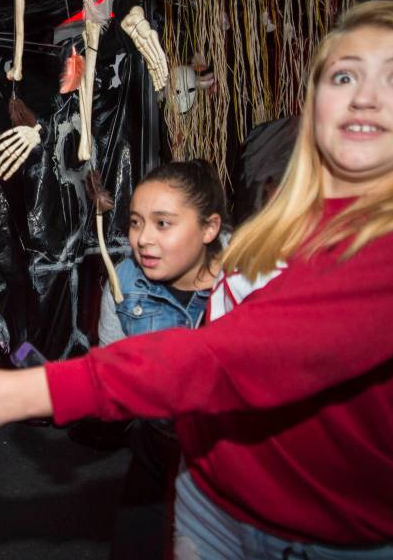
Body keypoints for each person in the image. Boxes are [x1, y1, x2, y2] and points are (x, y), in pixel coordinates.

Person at [0, 0, 393, 559]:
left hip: (328, 534)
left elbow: (240, 358)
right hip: (212, 496)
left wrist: (31, 391)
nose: (364, 95)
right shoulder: (281, 234)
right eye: (343, 75)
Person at [97, 160, 224, 560]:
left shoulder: (246, 277)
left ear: (210, 228)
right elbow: (108, 374)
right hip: (157, 446)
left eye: (163, 223)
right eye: (136, 223)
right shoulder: (124, 282)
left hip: (228, 455)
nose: (143, 240)